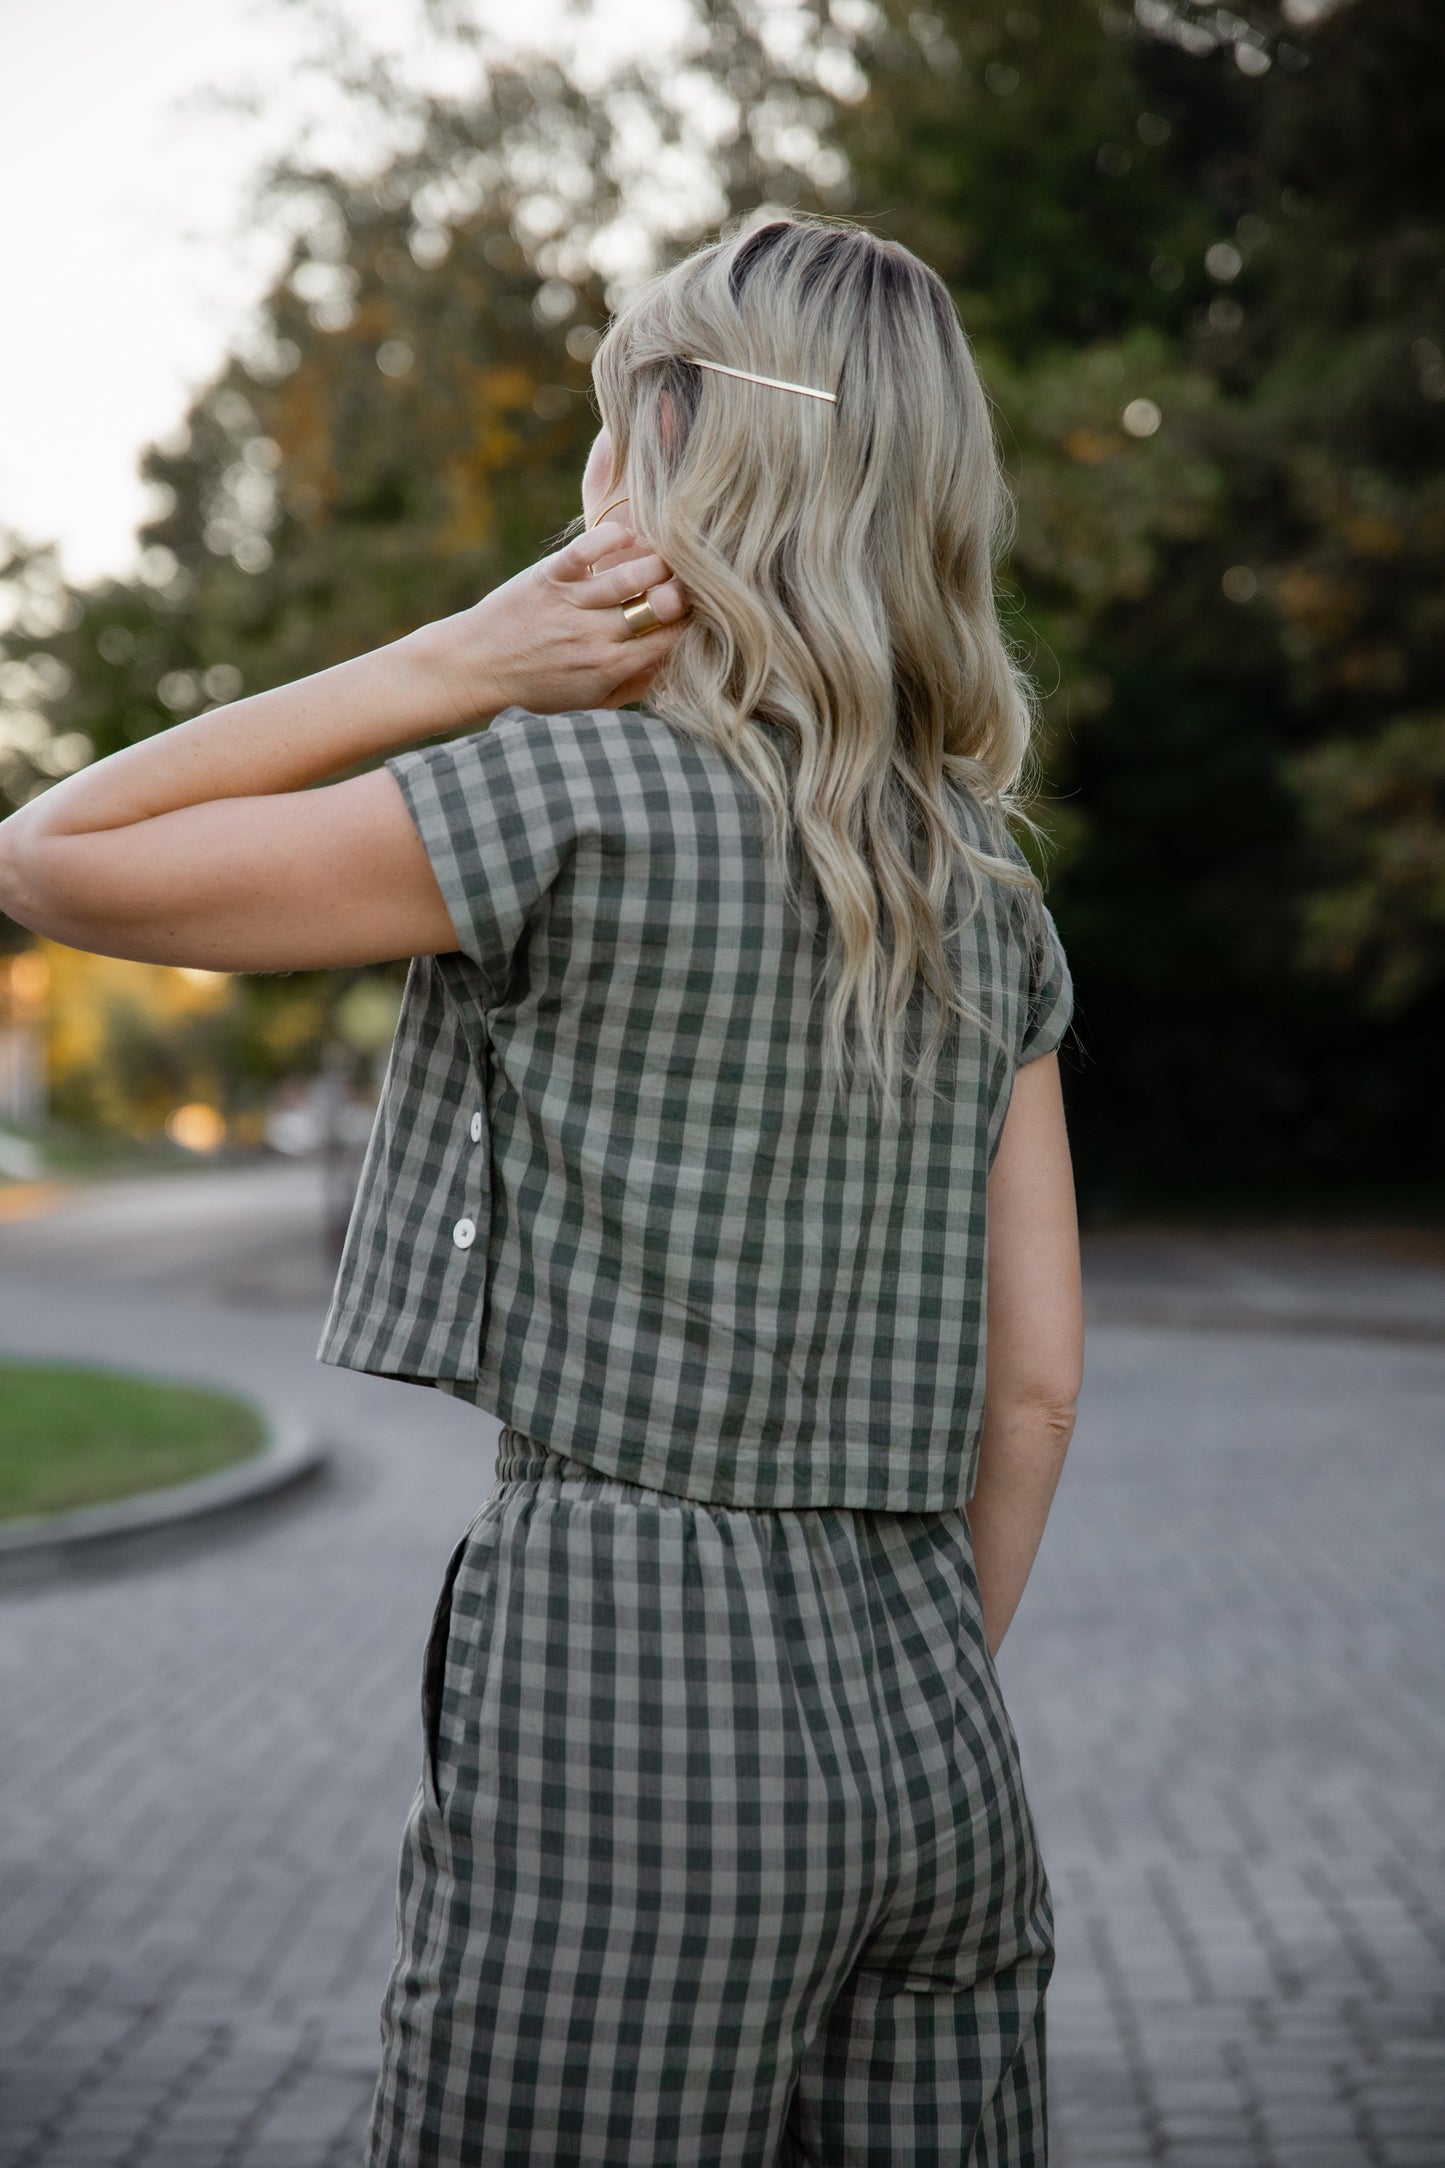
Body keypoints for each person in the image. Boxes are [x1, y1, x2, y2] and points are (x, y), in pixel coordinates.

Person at [0, 215, 1082, 2164]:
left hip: (629, 1689)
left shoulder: (559, 796)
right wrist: (889, 1708)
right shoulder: (983, 883)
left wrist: (455, 651)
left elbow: (55, 856)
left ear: (667, 453)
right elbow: (1035, 1387)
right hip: (931, 1716)